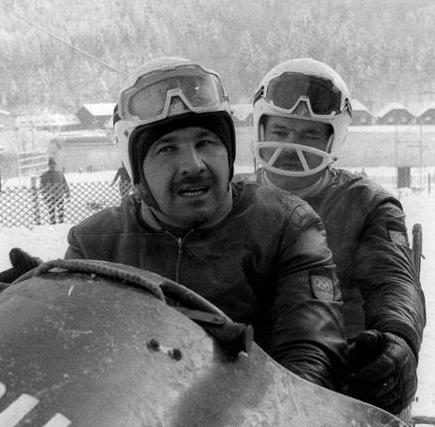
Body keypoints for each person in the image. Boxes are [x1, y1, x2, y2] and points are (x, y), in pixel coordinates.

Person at [68, 57, 346, 390]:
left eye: (206, 143)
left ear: (227, 151)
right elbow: (73, 361)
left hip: (253, 423)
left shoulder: (287, 225)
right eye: (167, 149)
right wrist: (27, 307)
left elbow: (311, 346)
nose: (193, 165)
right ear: (138, 169)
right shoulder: (95, 244)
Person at [248, 58, 425, 416]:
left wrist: (397, 341)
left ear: (333, 137)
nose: (291, 148)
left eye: (309, 135)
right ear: (261, 131)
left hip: (347, 381)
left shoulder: (367, 204)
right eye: (280, 132)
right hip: (249, 381)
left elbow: (393, 281)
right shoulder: (231, 200)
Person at [40, 157, 70, 224]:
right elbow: (42, 188)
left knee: (61, 211)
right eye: (51, 165)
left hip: (59, 196)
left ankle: (61, 223)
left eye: (53, 165)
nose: (52, 167)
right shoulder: (44, 175)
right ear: (49, 166)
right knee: (51, 212)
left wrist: (68, 194)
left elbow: (65, 184)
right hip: (50, 197)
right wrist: (44, 197)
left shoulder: (60, 174)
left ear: (55, 165)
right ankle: (53, 224)